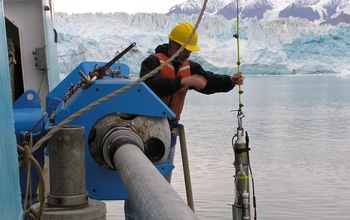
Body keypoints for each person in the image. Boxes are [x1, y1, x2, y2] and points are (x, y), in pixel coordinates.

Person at [124, 22, 244, 220]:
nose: (188, 54)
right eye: (185, 50)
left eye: (190, 51)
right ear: (172, 45)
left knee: (162, 180)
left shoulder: (191, 68)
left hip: (169, 130)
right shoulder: (152, 63)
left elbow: (209, 81)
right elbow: (148, 87)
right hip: (145, 129)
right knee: (138, 179)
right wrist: (180, 82)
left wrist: (230, 81)